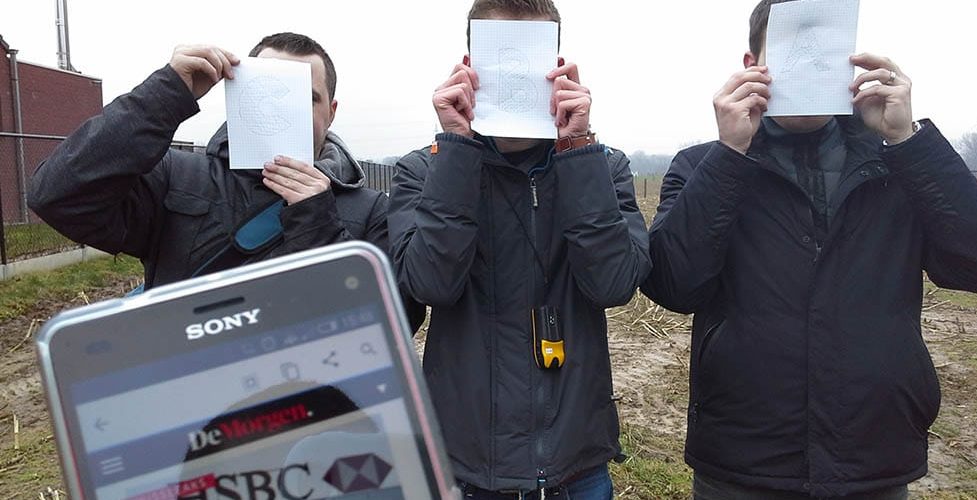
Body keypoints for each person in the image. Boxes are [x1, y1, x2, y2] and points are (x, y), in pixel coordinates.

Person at [641, 1, 977, 498]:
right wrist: (730, 155)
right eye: (790, 51)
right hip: (743, 459)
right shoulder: (705, 165)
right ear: (752, 66)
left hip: (873, 457)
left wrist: (908, 139)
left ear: (851, 63)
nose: (808, 67)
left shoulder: (898, 164)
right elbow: (673, 284)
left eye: (826, 54)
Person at [388, 0, 650, 497]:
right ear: (469, 66)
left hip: (576, 465)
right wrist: (457, 147)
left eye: (529, 58)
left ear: (556, 67)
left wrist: (576, 148)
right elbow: (430, 284)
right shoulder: (424, 170)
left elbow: (613, 285)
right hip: (465, 469)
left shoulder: (600, 166)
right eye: (499, 57)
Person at [28, 33, 424, 330]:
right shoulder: (179, 176)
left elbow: (399, 320)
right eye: (268, 92)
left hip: (307, 403)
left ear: (331, 112)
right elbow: (58, 196)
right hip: (192, 399)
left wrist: (318, 225)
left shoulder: (370, 209)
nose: (285, 111)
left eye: (307, 98)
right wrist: (165, 95)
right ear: (239, 96)